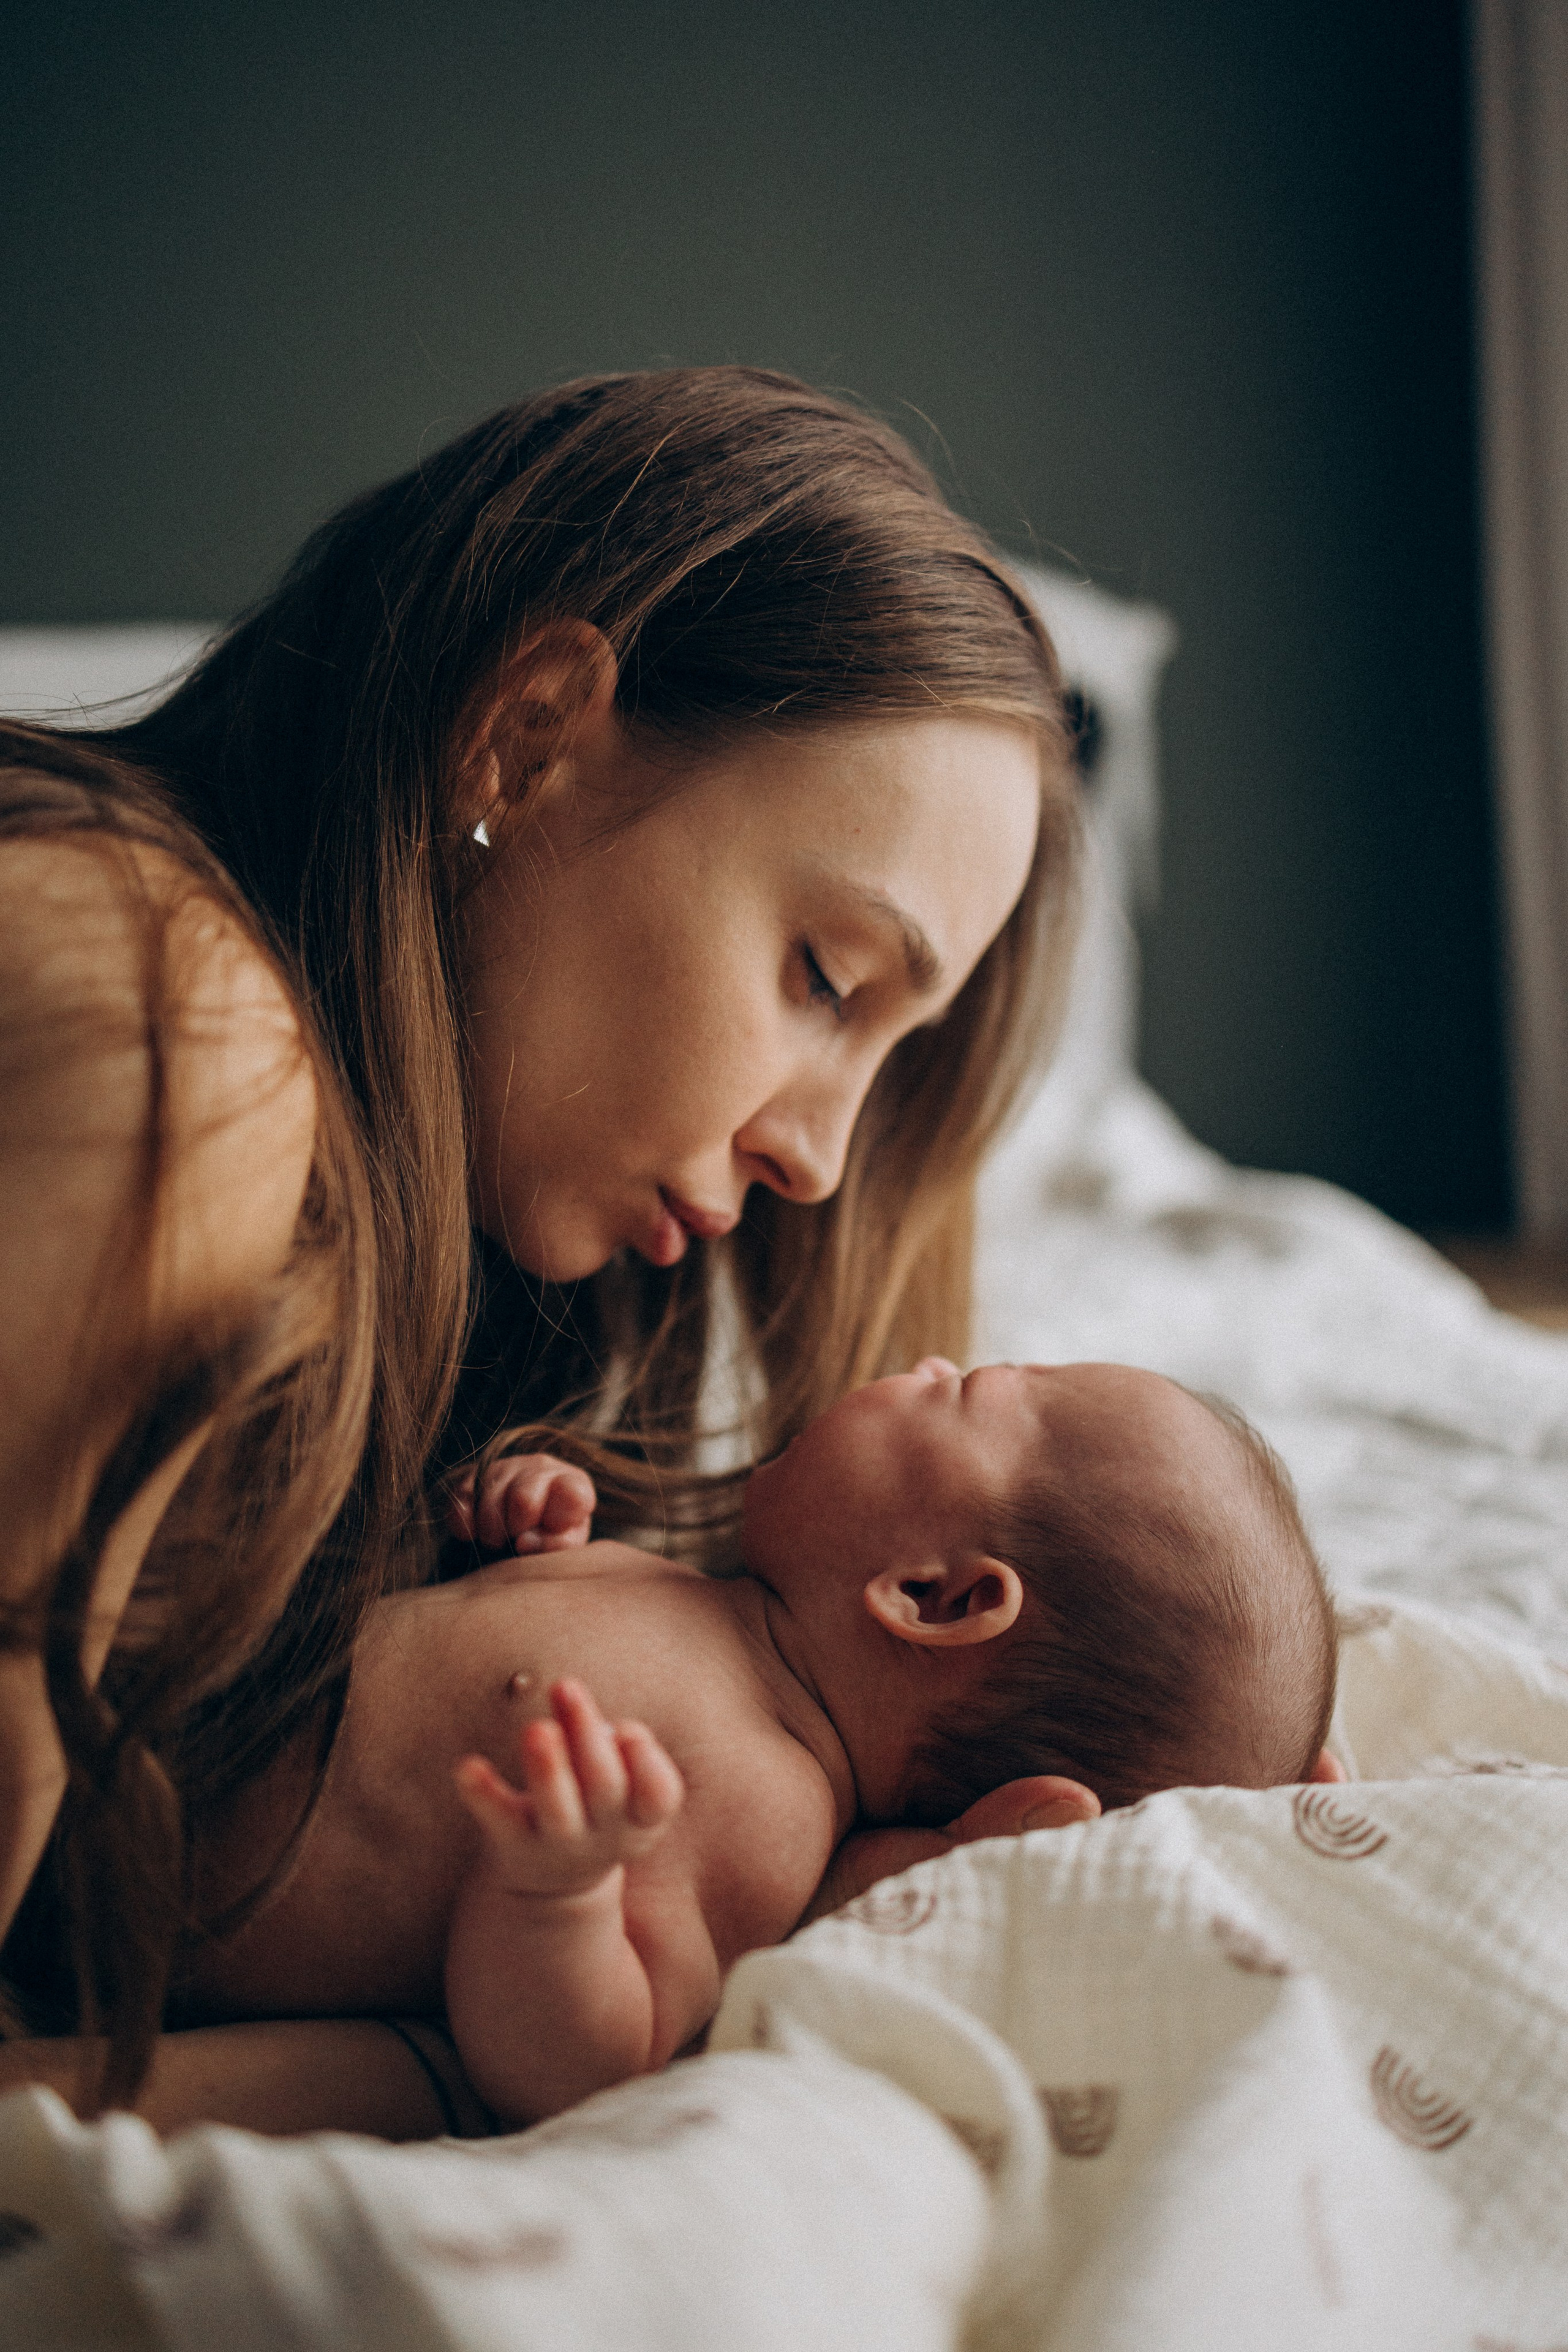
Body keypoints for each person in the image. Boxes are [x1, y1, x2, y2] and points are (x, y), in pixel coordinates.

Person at [0, 368, 1082, 2133]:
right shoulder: (162, 1015)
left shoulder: (463, 1335)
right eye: (823, 977)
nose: (817, 1160)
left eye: (887, 1067)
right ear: (526, 740)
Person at [176, 1357, 1341, 2130]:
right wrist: (504, 1537)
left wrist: (561, 1897)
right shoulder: (694, 1603)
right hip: (162, 1719)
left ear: (935, 1597)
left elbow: (587, 2066)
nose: (923, 1362)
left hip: (144, 1888)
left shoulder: (763, 1805)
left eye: (968, 1389)